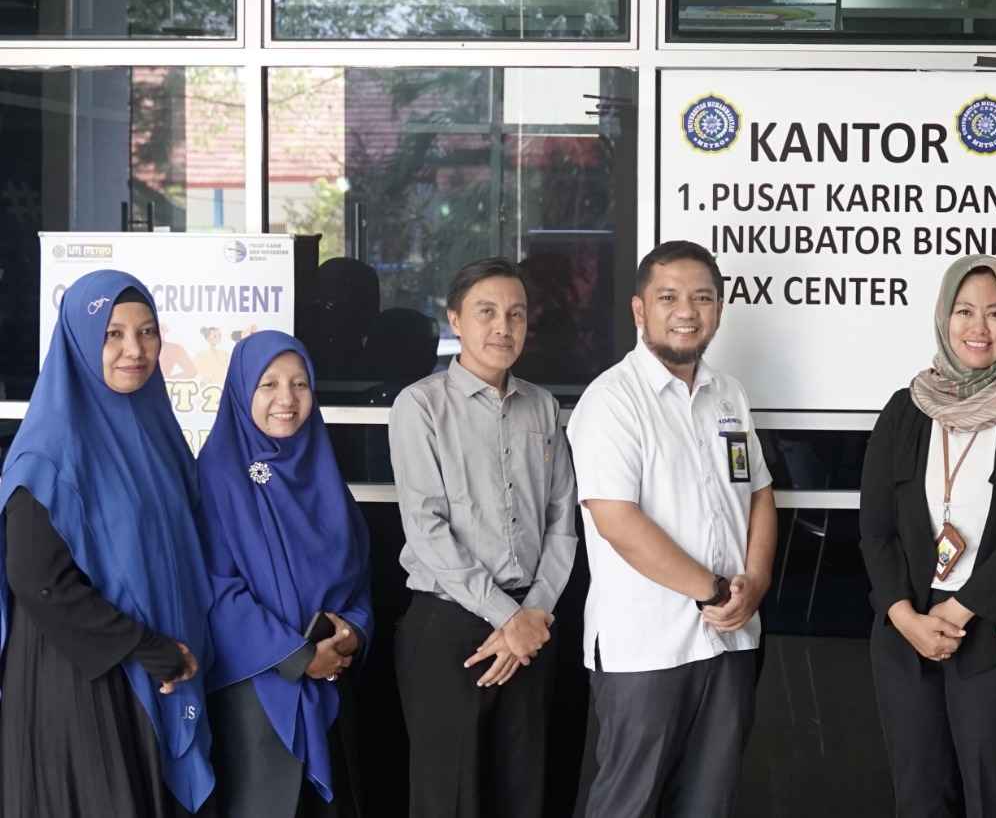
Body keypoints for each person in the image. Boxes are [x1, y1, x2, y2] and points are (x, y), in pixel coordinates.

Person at [858, 255, 996, 817]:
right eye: (964, 311)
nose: (979, 327)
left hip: (993, 632)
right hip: (906, 634)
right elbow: (875, 530)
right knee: (921, 799)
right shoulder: (906, 409)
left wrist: (958, 611)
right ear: (943, 317)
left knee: (993, 797)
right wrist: (905, 617)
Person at [567, 240, 777, 818]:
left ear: (719, 309)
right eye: (668, 297)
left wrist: (755, 583)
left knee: (709, 803)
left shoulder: (728, 394)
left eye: (702, 298)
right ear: (640, 310)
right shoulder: (612, 400)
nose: (687, 311)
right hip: (646, 646)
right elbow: (617, 521)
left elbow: (759, 493)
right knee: (629, 804)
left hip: (730, 638)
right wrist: (713, 590)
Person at [0, 270, 214, 817]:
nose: (134, 350)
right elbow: (38, 580)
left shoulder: (157, 431)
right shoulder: (49, 450)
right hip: (82, 678)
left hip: (156, 662)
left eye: (147, 332)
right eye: (112, 334)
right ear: (78, 339)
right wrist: (145, 646)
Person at [388, 257, 579, 818]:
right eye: (487, 312)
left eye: (516, 314)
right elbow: (426, 527)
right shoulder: (420, 405)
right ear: (455, 320)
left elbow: (562, 523)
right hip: (450, 625)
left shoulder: (542, 406)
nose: (503, 327)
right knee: (450, 797)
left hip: (532, 625)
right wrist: (507, 618)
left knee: (523, 792)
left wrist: (532, 615)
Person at [198, 331, 373, 818]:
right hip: (257, 690)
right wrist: (298, 657)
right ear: (242, 391)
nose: (287, 399)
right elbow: (217, 590)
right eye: (269, 384)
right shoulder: (216, 476)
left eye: (300, 384)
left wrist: (353, 632)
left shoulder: (323, 469)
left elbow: (358, 572)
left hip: (332, 682)